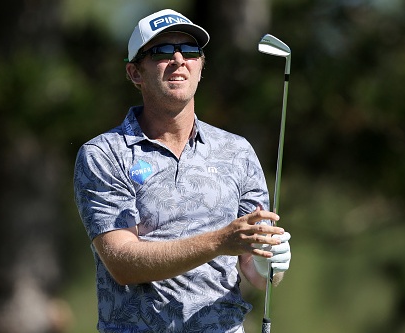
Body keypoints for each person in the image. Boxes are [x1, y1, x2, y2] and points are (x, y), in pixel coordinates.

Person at [73, 8, 292, 333]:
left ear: (201, 67)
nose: (179, 59)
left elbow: (257, 273)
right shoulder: (105, 154)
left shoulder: (237, 151)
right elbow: (122, 263)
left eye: (190, 51)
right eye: (162, 51)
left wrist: (269, 262)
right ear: (135, 73)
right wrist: (220, 241)